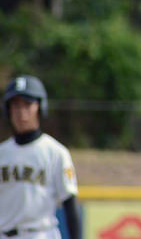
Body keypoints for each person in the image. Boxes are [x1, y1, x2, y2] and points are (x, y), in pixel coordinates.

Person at [0, 75, 81, 239]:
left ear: (40, 107)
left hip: (41, 234)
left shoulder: (55, 153)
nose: (21, 112)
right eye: (15, 105)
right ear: (8, 110)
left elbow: (70, 206)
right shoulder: (2, 152)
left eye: (27, 104)